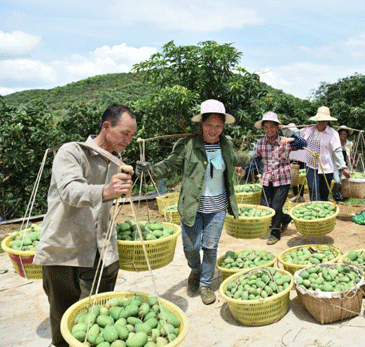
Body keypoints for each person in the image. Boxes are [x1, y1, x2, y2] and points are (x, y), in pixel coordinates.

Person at [33, 104, 137, 347]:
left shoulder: (116, 161)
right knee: (63, 317)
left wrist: (117, 192)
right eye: (125, 134)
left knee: (96, 319)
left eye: (132, 136)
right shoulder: (71, 152)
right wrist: (107, 190)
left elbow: (105, 204)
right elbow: (70, 191)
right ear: (106, 127)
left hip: (100, 250)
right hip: (64, 251)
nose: (129, 141)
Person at [135, 99, 251, 305]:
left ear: (223, 127)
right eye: (209, 125)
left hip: (217, 207)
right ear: (201, 124)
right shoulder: (187, 146)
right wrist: (149, 171)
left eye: (218, 125)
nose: (214, 130)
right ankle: (195, 270)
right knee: (191, 247)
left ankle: (206, 283)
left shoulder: (225, 145)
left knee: (210, 246)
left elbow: (235, 158)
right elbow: (169, 165)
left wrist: (252, 157)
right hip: (192, 207)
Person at [253, 112, 307, 245]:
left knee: (276, 207)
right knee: (265, 207)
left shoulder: (284, 141)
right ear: (263, 129)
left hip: (282, 178)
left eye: (272, 126)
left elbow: (303, 143)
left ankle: (275, 232)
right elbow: (256, 159)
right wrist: (243, 168)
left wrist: (290, 139)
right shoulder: (260, 143)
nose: (269, 129)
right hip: (267, 179)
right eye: (266, 127)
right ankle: (285, 218)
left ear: (277, 127)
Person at [300, 106, 350, 202]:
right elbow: (296, 135)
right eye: (319, 120)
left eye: (324, 120)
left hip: (326, 168)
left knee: (324, 194)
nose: (321, 122)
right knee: (314, 191)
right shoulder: (309, 131)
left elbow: (337, 151)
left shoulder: (333, 134)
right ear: (316, 120)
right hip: (311, 167)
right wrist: (285, 133)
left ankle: (322, 214)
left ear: (327, 122)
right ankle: (315, 214)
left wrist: (343, 167)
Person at [333, 125, 355, 201]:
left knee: (344, 180)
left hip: (345, 165)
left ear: (347, 135)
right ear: (338, 135)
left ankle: (343, 196)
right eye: (341, 134)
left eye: (345, 134)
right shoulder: (335, 143)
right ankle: (336, 196)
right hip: (335, 164)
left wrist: (353, 163)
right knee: (337, 181)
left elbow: (350, 155)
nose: (343, 136)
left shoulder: (349, 144)